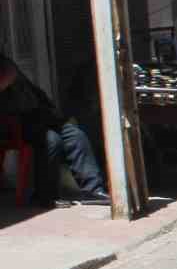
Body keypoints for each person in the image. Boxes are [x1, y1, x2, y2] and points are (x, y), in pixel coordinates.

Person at [0, 53, 109, 206]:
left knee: (75, 135)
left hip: (38, 118)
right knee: (52, 140)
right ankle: (45, 196)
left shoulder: (7, 66)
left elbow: (36, 95)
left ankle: (93, 190)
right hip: (12, 125)